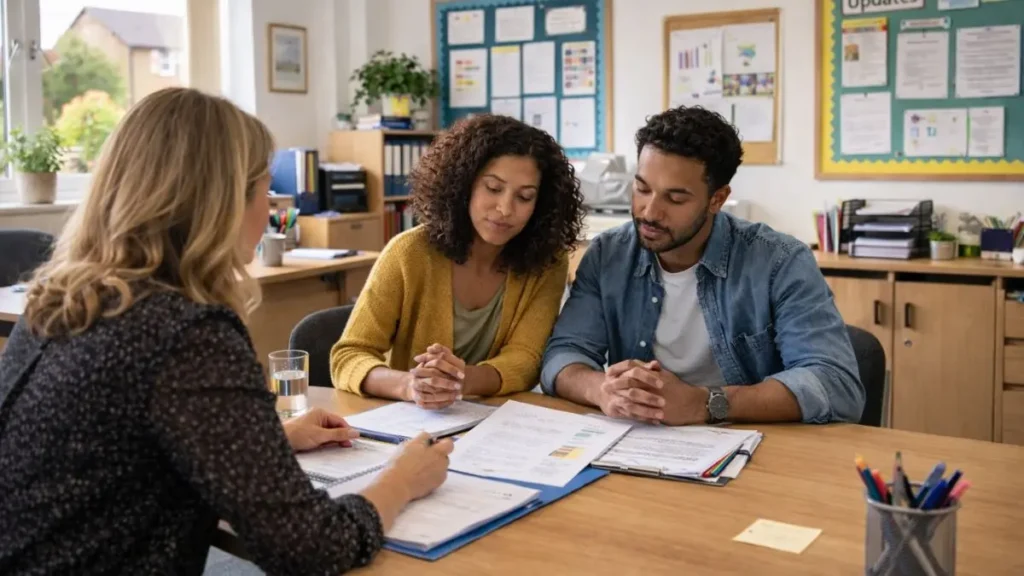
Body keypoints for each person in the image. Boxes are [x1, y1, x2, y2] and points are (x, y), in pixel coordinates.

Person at [0, 87, 453, 575]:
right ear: (222, 202)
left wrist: (268, 440)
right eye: (264, 190)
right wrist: (401, 480)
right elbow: (312, 548)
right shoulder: (186, 333)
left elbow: (115, 452)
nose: (269, 208)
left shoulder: (57, 298)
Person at [541, 106, 864, 426]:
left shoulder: (780, 262)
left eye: (675, 198)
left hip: (752, 441)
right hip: (642, 440)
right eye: (642, 188)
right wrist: (601, 390)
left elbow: (835, 383)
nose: (650, 212)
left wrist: (706, 403)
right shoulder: (608, 255)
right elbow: (563, 355)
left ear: (717, 199)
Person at [331, 114, 585, 408]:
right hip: (413, 420)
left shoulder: (546, 262)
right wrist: (410, 385)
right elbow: (349, 356)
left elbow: (527, 359)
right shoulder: (409, 253)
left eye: (525, 197)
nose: (505, 209)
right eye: (493, 188)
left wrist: (460, 379)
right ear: (463, 185)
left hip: (495, 422)